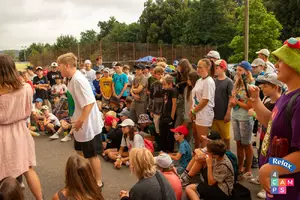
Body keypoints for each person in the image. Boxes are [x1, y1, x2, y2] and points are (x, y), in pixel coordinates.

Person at [250, 37, 300, 200]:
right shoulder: (287, 94)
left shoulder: (298, 101)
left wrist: (271, 167)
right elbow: (272, 123)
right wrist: (256, 101)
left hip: (292, 183)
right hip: (279, 176)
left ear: (295, 64)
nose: (276, 65)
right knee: (274, 197)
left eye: (281, 60)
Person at [57, 53, 104, 188]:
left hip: (87, 125)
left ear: (67, 65)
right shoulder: (72, 79)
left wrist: (80, 122)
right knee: (80, 152)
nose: (59, 69)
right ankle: (85, 176)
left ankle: (98, 182)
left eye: (59, 65)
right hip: (80, 124)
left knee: (91, 155)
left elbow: (89, 104)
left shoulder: (78, 80)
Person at [0, 54, 43, 200]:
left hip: (2, 134)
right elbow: (28, 111)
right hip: (20, 130)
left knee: (2, 172)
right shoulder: (26, 88)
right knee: (27, 168)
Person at [248, 73, 282, 199]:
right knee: (264, 158)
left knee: (273, 167)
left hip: (274, 144)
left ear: (276, 87)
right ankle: (268, 185)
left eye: (266, 86)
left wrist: (254, 114)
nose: (262, 88)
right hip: (263, 136)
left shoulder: (281, 102)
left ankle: (271, 188)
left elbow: (271, 122)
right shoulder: (266, 99)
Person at [230, 61, 255, 180]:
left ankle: (248, 169)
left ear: (247, 72)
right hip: (235, 115)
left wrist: (237, 102)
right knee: (238, 143)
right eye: (237, 70)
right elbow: (233, 98)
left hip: (245, 117)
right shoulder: (237, 83)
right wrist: (232, 101)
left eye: (240, 70)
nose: (237, 72)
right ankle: (240, 167)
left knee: (246, 144)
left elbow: (250, 105)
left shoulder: (250, 85)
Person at [190, 59, 216, 148]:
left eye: (200, 67)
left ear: (207, 68)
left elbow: (205, 100)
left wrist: (193, 111)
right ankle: (196, 157)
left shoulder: (209, 81)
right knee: (196, 138)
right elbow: (194, 97)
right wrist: (192, 110)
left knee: (203, 140)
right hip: (196, 112)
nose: (198, 69)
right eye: (197, 67)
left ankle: (204, 159)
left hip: (204, 114)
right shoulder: (199, 80)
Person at [212, 59, 233, 150]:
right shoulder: (213, 81)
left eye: (217, 68)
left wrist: (228, 113)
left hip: (223, 114)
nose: (215, 70)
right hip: (214, 114)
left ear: (223, 68)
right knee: (215, 138)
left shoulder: (229, 82)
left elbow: (231, 98)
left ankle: (227, 155)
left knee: (226, 138)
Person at [173, 59, 195, 128]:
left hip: (187, 97)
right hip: (183, 95)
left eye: (179, 67)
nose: (178, 69)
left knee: (185, 118)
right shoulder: (181, 73)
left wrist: (179, 84)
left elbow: (188, 82)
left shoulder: (191, 74)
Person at [159, 75, 178, 152]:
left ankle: (169, 149)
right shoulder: (165, 90)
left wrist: (172, 117)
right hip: (163, 114)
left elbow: (174, 104)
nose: (163, 86)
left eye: (164, 84)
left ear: (170, 84)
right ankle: (163, 148)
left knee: (169, 134)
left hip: (169, 115)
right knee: (162, 132)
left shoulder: (173, 91)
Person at [149, 66, 164, 137]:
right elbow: (151, 98)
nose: (160, 76)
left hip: (165, 108)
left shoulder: (166, 83)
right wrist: (151, 110)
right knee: (157, 128)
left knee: (164, 127)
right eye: (158, 74)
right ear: (155, 75)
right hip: (156, 109)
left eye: (162, 74)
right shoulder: (153, 85)